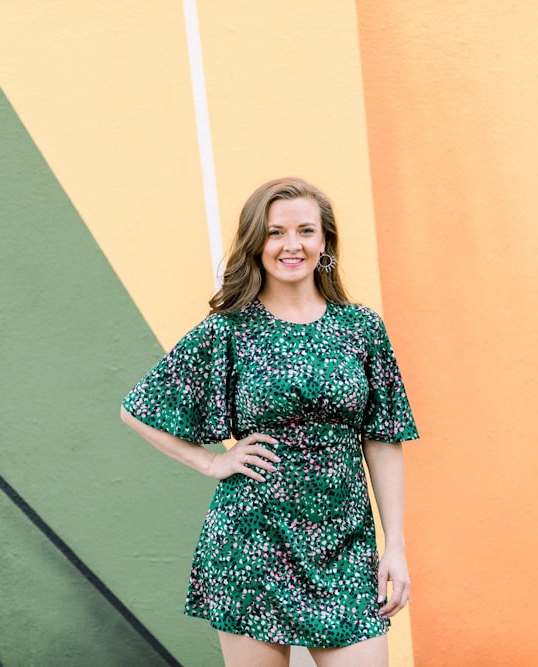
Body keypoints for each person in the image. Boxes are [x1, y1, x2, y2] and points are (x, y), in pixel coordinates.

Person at [120, 177, 418, 667]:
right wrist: (211, 462)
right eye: (276, 232)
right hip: (251, 541)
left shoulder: (361, 327)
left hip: (345, 544)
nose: (291, 245)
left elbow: (383, 438)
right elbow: (138, 407)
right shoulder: (228, 329)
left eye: (306, 230)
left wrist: (396, 546)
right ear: (257, 243)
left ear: (325, 243)